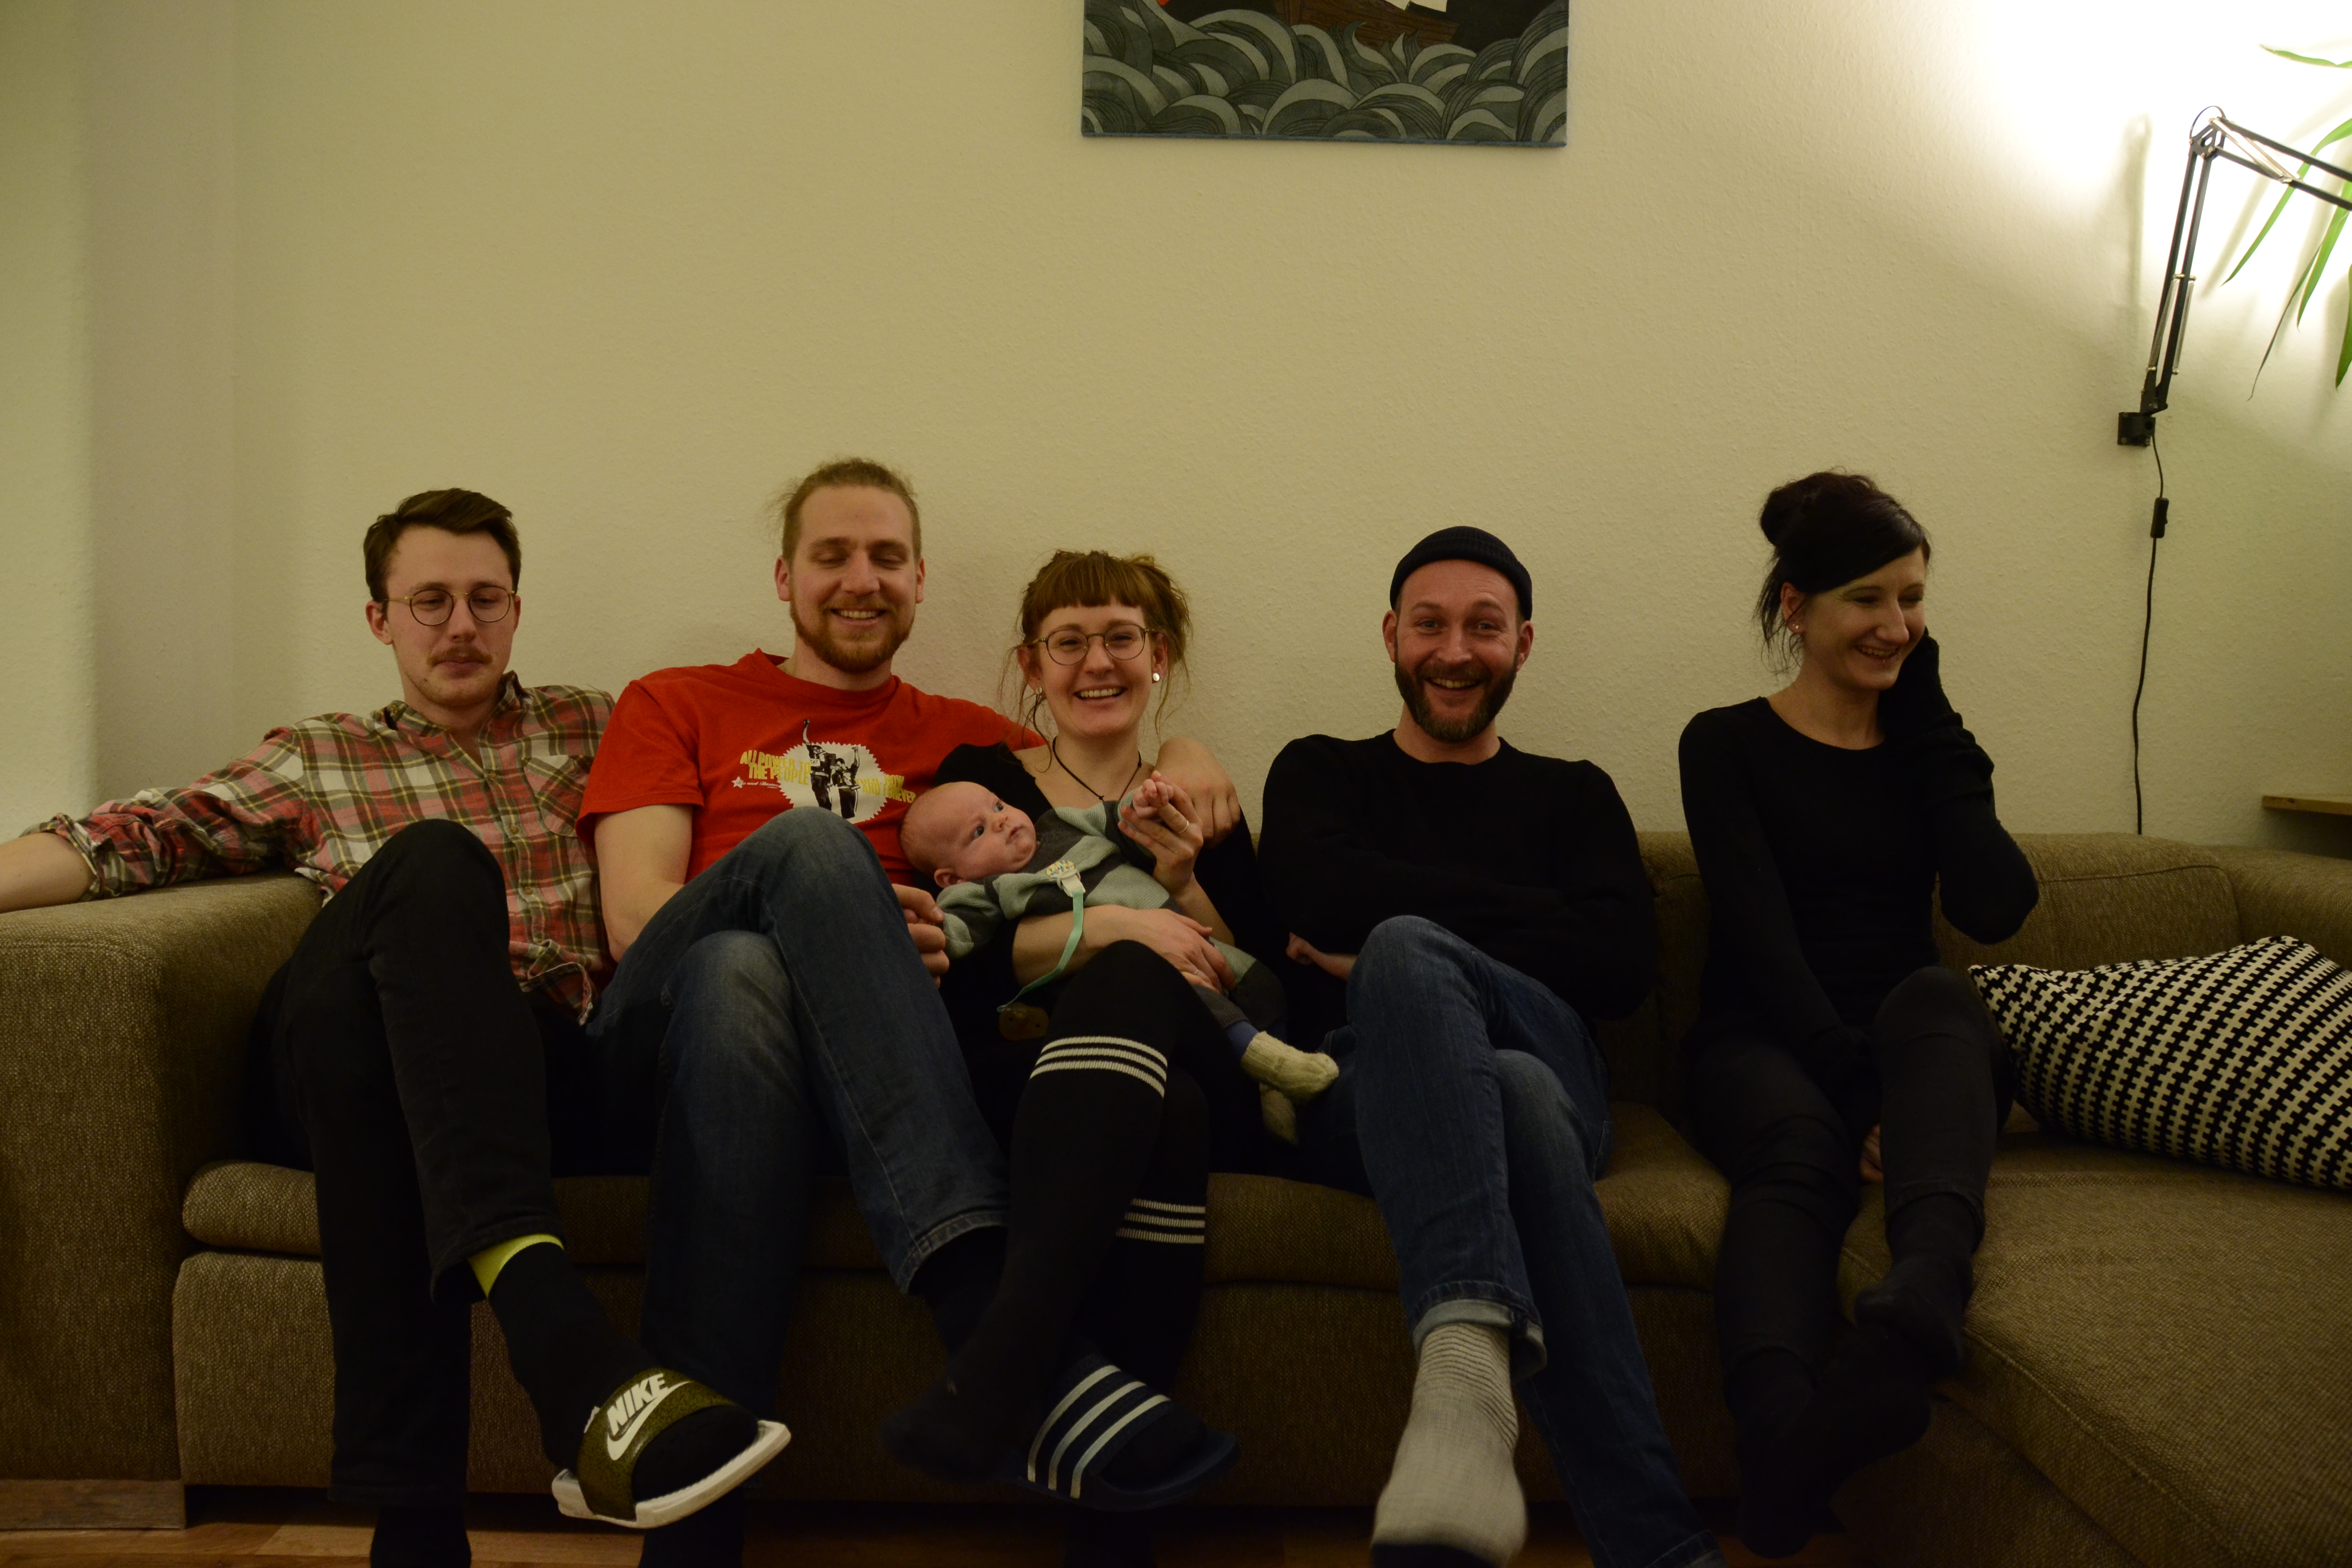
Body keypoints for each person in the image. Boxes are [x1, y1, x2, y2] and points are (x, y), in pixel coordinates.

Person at [0, 491, 781, 1568]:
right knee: (425, 874)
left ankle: (413, 1529)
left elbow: (731, 824)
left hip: (545, 1072)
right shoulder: (319, 754)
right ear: (380, 618)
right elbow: (131, 839)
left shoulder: (598, 726)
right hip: (369, 1065)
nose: (460, 625)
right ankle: (552, 1335)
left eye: (485, 599)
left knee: (360, 1031)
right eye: (430, 602)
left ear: (517, 611)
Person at [577, 469, 1245, 1568]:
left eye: (886, 557)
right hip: (663, 1042)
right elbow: (636, 918)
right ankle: (981, 1309)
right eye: (833, 555)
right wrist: (828, 908)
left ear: (921, 581)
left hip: (852, 1075)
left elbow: (1093, 768)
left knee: (753, 967)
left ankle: (695, 1528)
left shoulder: (972, 744)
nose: (862, 578)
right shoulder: (678, 699)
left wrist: (1186, 753)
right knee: (774, 904)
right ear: (784, 577)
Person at [1259, 527, 1726, 1568]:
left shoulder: (1574, 793)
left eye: (1484, 627)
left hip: (1561, 1064)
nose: (1455, 651)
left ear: (1523, 643)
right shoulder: (1319, 771)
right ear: (1392, 634)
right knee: (1501, 1080)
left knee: (1404, 948)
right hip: (1362, 1089)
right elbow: (1314, 892)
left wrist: (1407, 944)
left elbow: (1618, 965)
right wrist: (1524, 921)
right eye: (1430, 624)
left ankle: (1462, 1389)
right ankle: (1660, 1548)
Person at [881, 549, 1294, 1567]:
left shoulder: (1199, 799)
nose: (1096, 662)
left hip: (1215, 1057)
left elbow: (1263, 982)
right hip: (1038, 1075)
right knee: (1164, 1106)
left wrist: (1181, 886)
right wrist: (1106, 925)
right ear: (1032, 663)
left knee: (1144, 994)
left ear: (1160, 656)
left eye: (1120, 637)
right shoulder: (981, 783)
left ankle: (1005, 1358)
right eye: (1068, 641)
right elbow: (950, 961)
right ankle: (1117, 1523)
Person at [1677, 472, 2038, 1558]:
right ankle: (1780, 1442)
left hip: (1910, 1045)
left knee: (1941, 993)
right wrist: (1855, 1098)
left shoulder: (1925, 749)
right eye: (1866, 600)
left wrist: (1929, 714)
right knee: (1797, 1149)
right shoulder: (1724, 744)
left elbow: (1995, 906)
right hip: (1762, 1037)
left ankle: (1918, 1304)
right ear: (1796, 607)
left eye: (1912, 599)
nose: (1895, 625)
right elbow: (1760, 947)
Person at [900, 775, 1339, 1129]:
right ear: (951, 880)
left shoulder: (1064, 824)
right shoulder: (983, 892)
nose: (1000, 822)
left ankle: (1273, 1091)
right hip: (1140, 985)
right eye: (978, 832)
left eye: (997, 806)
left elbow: (1125, 822)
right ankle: (1268, 1061)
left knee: (1262, 983)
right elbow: (954, 937)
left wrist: (1148, 804)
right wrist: (922, 928)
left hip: (1193, 939)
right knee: (1178, 990)